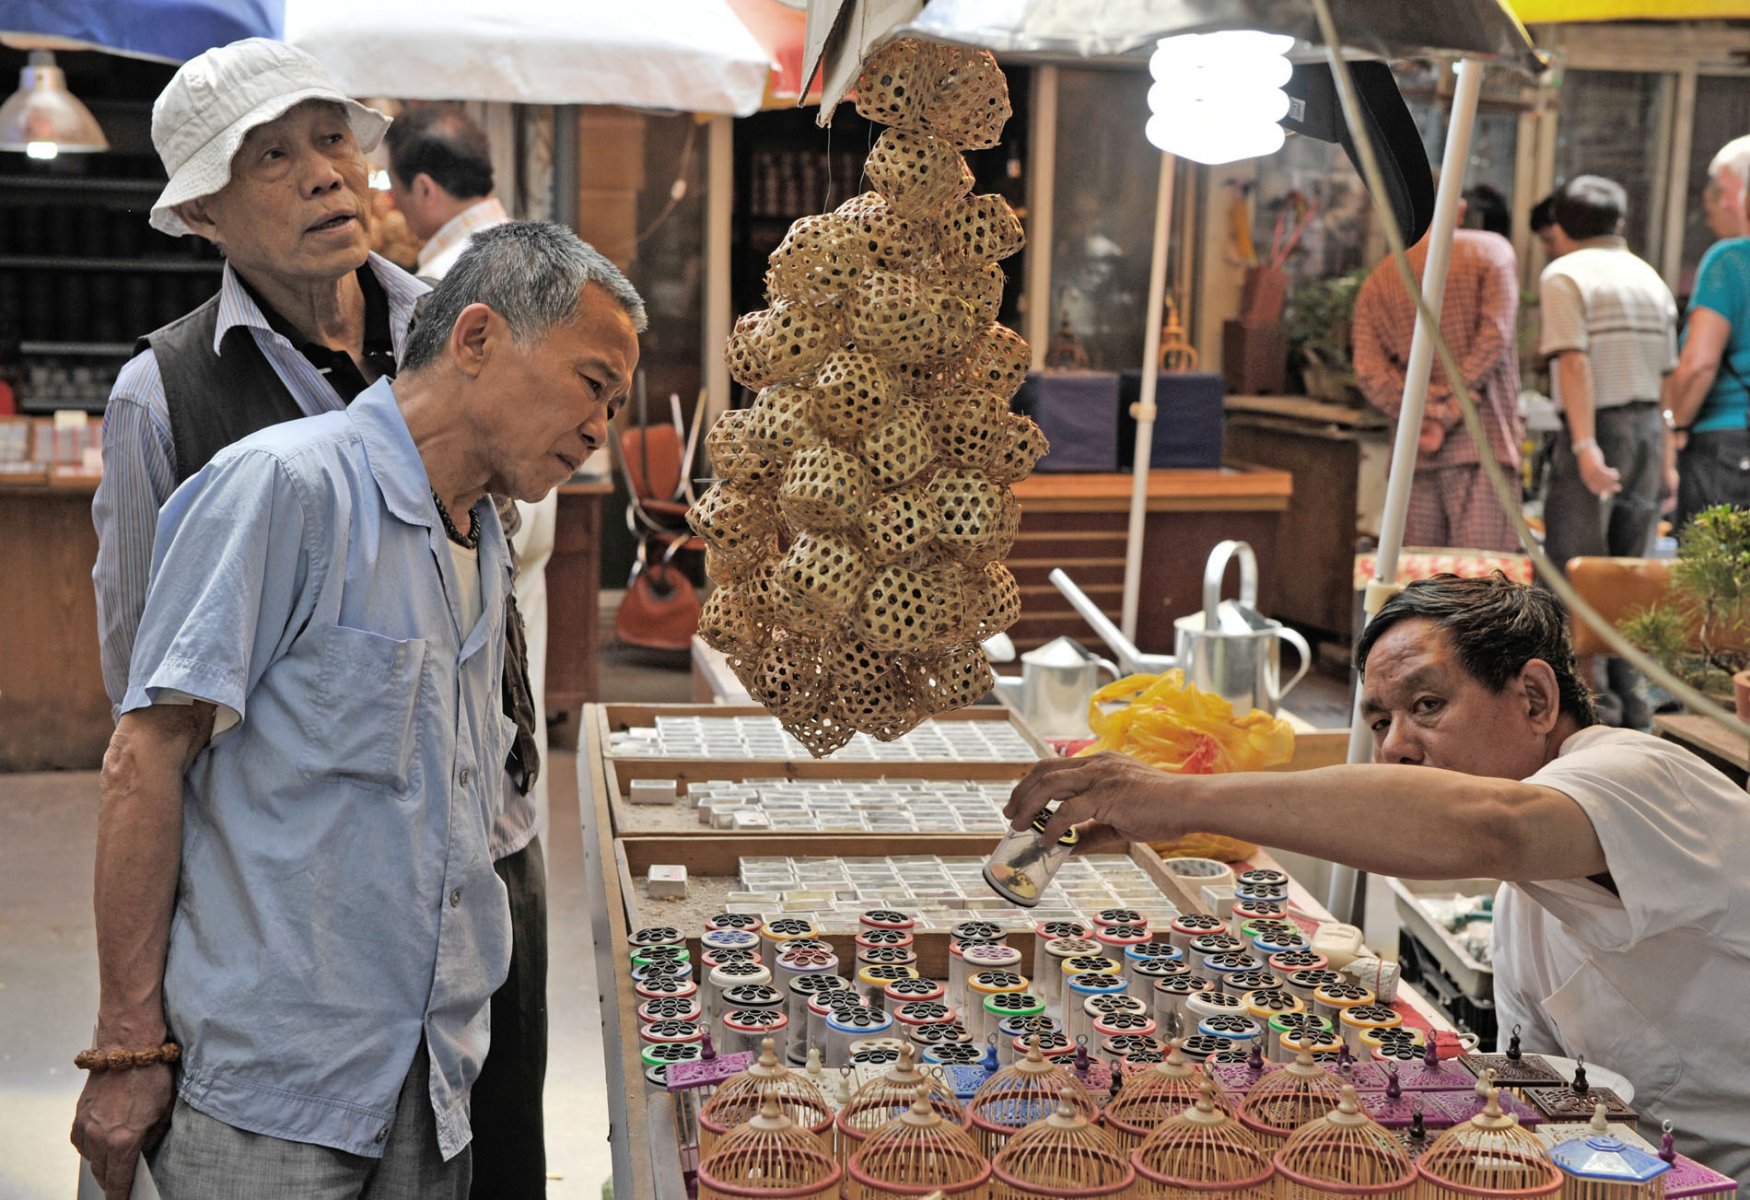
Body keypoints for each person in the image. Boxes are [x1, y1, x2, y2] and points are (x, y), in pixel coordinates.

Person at [70, 221, 645, 1199]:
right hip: (261, 1101)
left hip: (429, 1088)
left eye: (617, 405)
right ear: (474, 340)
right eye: (594, 385)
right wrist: (128, 1047)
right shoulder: (285, 488)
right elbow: (144, 759)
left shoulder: (484, 539)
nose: (603, 431)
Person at [1007, 573, 1750, 1182]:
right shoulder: (1522, 908)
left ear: (1534, 698)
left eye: (1427, 705)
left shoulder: (1639, 775)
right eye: (1379, 722)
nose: (1396, 747)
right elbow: (1542, 1091)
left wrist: (1176, 798)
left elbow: (1493, 824)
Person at [387, 102, 557, 1197]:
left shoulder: (483, 287)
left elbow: (513, 509)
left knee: (492, 1073)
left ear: (414, 189)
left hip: (483, 748)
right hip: (474, 764)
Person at [1537, 175, 1677, 729]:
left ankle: (1586, 719)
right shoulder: (1650, 278)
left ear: (1561, 227)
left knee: (1576, 574)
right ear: (1619, 223)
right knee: (1630, 579)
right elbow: (1667, 375)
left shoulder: (1565, 273)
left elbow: (1573, 363)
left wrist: (1585, 445)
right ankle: (1632, 713)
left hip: (1598, 430)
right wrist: (1665, 457)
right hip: (1646, 430)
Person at [1352, 194, 1523, 551]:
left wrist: (1425, 408)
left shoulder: (1380, 279)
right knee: (1480, 584)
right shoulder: (1492, 253)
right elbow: (1496, 337)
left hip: (1415, 451)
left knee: (1420, 582)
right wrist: (1452, 405)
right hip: (1483, 444)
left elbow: (1369, 372)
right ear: (1458, 207)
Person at [1662, 137, 1750, 535]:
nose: (1715, 204)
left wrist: (1675, 423)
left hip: (1728, 447)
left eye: (1723, 190)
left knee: (1710, 587)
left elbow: (1699, 363)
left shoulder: (1729, 260)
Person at [387, 104, 511, 280]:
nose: (394, 201)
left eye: (394, 188)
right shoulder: (539, 251)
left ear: (425, 189)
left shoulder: (438, 281)